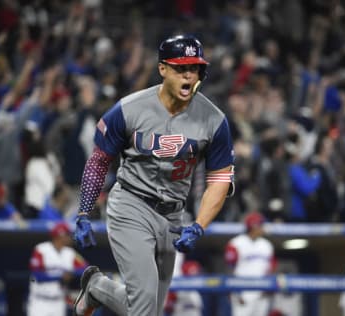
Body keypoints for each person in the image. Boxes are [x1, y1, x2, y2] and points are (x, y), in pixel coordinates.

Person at [72, 34, 235, 316]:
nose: (188, 75)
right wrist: (84, 212)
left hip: (173, 215)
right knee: (145, 306)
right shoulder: (129, 108)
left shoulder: (214, 120)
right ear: (162, 69)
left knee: (148, 310)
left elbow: (219, 180)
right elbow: (99, 160)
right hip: (131, 205)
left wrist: (199, 225)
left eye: (193, 68)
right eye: (180, 68)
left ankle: (97, 287)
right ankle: (97, 288)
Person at [27, 222, 88, 316]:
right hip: (39, 302)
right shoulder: (41, 250)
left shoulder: (70, 253)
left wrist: (70, 273)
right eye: (68, 234)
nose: (70, 237)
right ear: (60, 235)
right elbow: (36, 276)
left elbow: (86, 269)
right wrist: (60, 276)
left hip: (58, 302)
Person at [224, 212, 277, 316]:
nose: (263, 227)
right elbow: (229, 268)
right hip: (243, 292)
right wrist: (234, 292)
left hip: (262, 292)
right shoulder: (236, 243)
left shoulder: (267, 245)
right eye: (261, 225)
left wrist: (268, 288)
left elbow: (272, 268)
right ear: (253, 226)